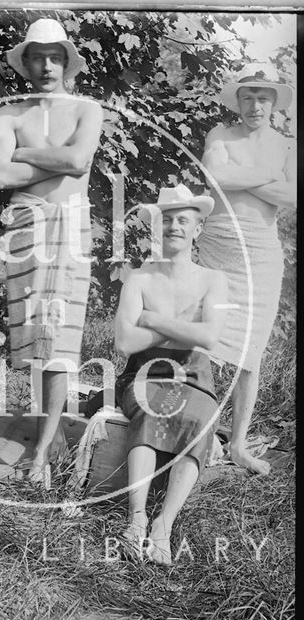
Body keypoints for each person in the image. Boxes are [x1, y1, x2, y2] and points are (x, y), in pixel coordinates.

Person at [0, 18, 103, 483]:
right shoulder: (8, 115)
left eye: (55, 57)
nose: (46, 65)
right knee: (34, 331)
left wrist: (25, 154)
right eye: (37, 56)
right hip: (24, 226)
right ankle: (48, 427)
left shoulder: (87, 109)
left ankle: (42, 454)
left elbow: (79, 162)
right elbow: (1, 177)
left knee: (59, 331)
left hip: (68, 225)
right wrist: (54, 161)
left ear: (67, 63)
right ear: (26, 63)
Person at [114, 184, 228, 565]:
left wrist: (151, 318)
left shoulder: (213, 279)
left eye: (183, 220)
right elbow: (125, 342)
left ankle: (164, 524)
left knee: (198, 417)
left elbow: (210, 336)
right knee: (151, 406)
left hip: (193, 377)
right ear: (155, 228)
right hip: (143, 375)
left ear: (198, 229)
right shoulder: (140, 278)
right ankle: (137, 518)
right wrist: (181, 326)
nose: (173, 226)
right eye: (166, 220)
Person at [197, 63, 296, 475]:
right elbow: (212, 177)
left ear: (274, 103)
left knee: (248, 355)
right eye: (248, 97)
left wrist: (238, 178)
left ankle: (237, 443)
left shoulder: (285, 145)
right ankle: (200, 435)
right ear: (238, 101)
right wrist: (264, 177)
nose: (256, 105)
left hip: (261, 253)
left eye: (264, 97)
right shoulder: (220, 135)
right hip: (218, 247)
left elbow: (291, 195)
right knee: (204, 340)